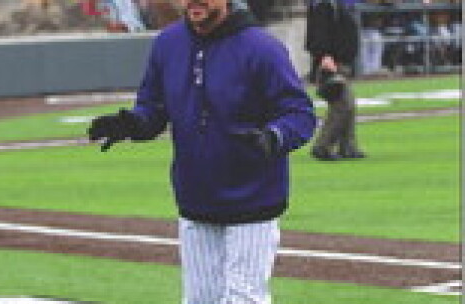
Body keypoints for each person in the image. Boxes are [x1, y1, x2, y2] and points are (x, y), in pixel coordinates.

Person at [87, 0, 316, 302]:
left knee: (243, 298)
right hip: (196, 198)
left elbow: (300, 114)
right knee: (199, 300)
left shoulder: (263, 49)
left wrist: (274, 137)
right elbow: (153, 110)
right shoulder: (168, 44)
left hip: (254, 199)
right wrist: (131, 125)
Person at [306, 0, 366, 160]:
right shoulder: (325, 4)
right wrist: (325, 55)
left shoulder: (334, 4)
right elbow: (319, 33)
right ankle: (323, 146)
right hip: (332, 63)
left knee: (348, 105)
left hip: (340, 61)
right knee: (343, 105)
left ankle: (348, 146)